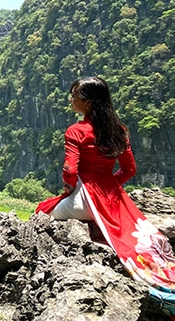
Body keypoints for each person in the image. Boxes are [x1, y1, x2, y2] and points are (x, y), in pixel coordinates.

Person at [35, 76, 175, 317]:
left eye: (74, 96)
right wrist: (110, 187)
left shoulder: (76, 131)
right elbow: (129, 169)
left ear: (87, 103)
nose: (71, 100)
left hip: (83, 201)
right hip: (108, 198)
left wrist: (69, 192)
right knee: (137, 238)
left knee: (41, 213)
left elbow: (70, 172)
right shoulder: (118, 130)